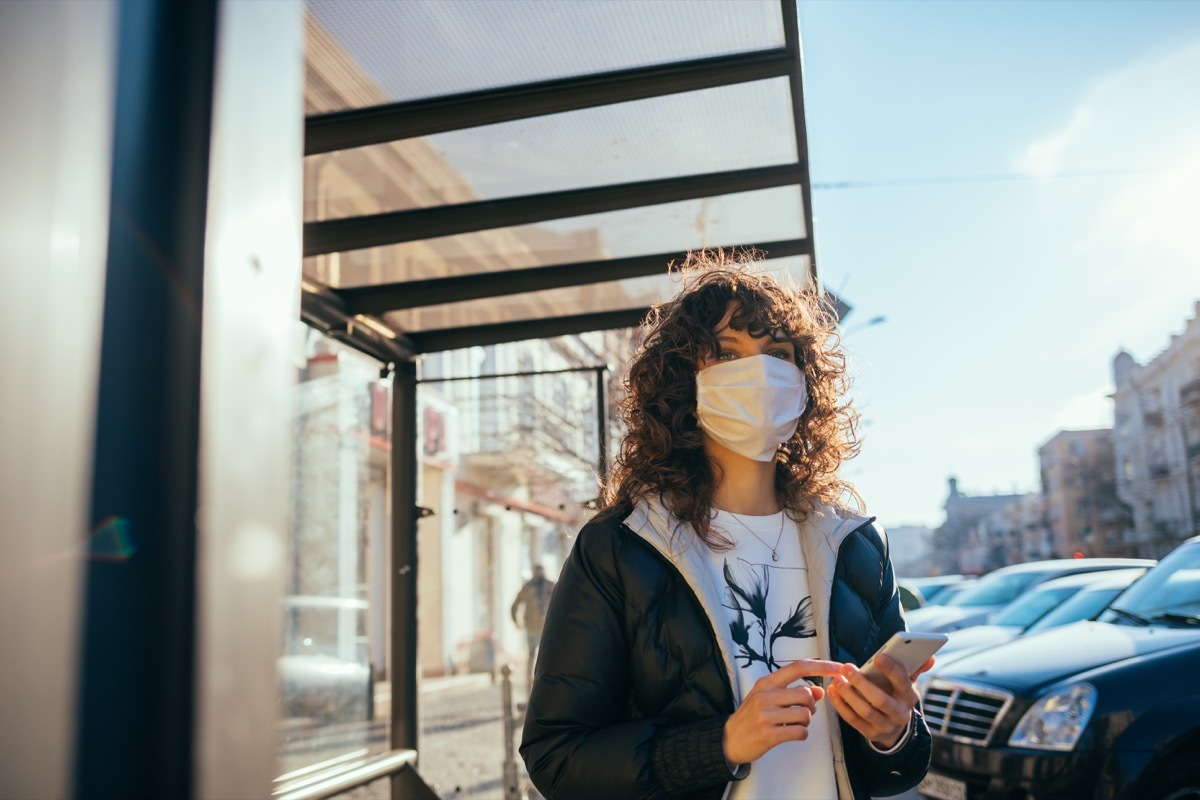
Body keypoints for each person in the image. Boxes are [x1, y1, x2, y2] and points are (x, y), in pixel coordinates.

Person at [520, 251, 932, 800]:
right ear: (683, 382)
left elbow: (896, 768)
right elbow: (557, 758)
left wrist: (893, 734)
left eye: (778, 354)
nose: (759, 373)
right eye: (727, 354)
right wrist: (721, 743)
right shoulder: (622, 545)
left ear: (806, 383)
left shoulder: (856, 544)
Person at [510, 564, 555, 689]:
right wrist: (516, 621)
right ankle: (530, 687)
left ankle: (548, 685)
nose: (539, 574)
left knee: (550, 657)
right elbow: (514, 606)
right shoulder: (527, 587)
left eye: (541, 571)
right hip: (532, 628)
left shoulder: (552, 586)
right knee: (531, 657)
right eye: (537, 571)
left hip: (548, 627)